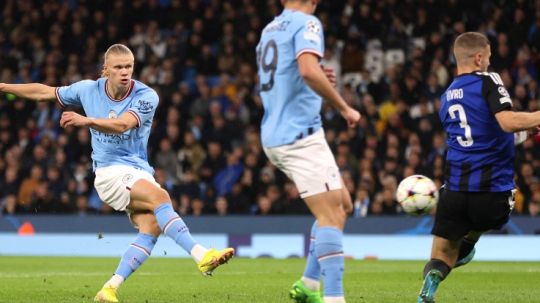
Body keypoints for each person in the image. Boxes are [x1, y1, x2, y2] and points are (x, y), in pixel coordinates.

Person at [0, 44, 234, 303]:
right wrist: (5, 87)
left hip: (138, 170)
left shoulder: (147, 96)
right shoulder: (88, 90)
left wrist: (86, 121)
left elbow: (123, 124)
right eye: (119, 67)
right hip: (109, 172)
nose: (125, 72)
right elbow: (45, 92)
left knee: (151, 227)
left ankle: (109, 288)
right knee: (161, 197)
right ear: (106, 70)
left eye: (129, 67)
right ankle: (202, 256)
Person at [418, 32, 540, 302]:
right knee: (476, 230)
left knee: (440, 256)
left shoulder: (446, 96)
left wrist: (528, 131)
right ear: (479, 58)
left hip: (454, 192)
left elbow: (483, 137)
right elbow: (507, 123)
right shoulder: (489, 80)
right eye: (489, 57)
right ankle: (470, 241)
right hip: (493, 191)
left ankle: (431, 281)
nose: (490, 62)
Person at [256, 1, 361, 303]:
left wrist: (315, 78)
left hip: (278, 131)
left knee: (343, 205)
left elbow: (286, 77)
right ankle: (334, 298)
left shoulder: (270, 29)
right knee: (331, 214)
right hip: (299, 135)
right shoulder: (308, 24)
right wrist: (344, 107)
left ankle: (309, 283)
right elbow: (306, 70)